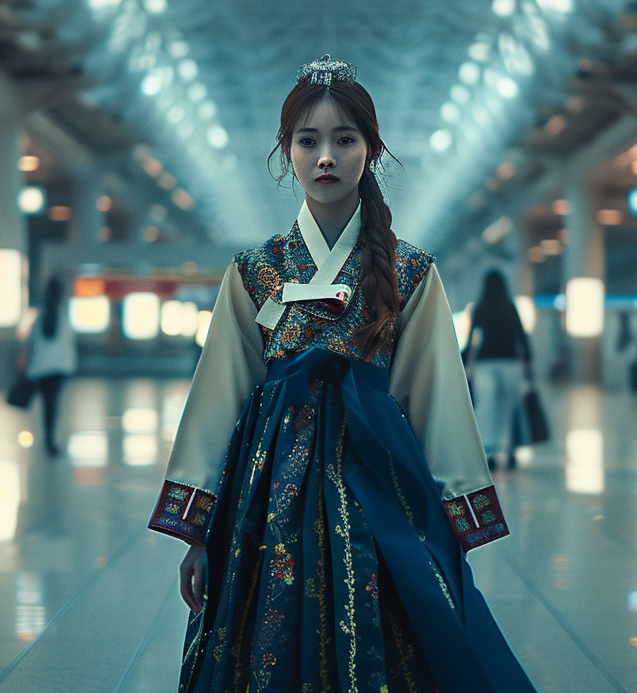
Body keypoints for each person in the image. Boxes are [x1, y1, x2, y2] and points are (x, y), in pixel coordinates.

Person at [148, 56, 536, 692]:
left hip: (380, 489)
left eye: (344, 140)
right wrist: (197, 531)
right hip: (265, 500)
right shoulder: (255, 270)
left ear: (371, 151)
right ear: (287, 153)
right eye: (309, 141)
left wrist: (455, 519)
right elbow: (219, 396)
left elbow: (434, 396)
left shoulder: (409, 271)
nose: (325, 156)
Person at [466, 269, 532, 470]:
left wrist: (467, 360)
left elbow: (472, 338)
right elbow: (521, 335)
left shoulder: (480, 307)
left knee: (487, 407)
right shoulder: (510, 307)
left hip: (485, 363)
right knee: (509, 408)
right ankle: (510, 451)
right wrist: (528, 361)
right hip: (510, 362)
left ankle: (490, 452)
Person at [24, 277, 76, 456]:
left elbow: (31, 343)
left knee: (46, 404)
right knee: (52, 404)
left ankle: (47, 438)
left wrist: (28, 368)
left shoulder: (40, 315)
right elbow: (69, 343)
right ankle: (49, 440)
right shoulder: (63, 315)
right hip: (58, 369)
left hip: (40, 368)